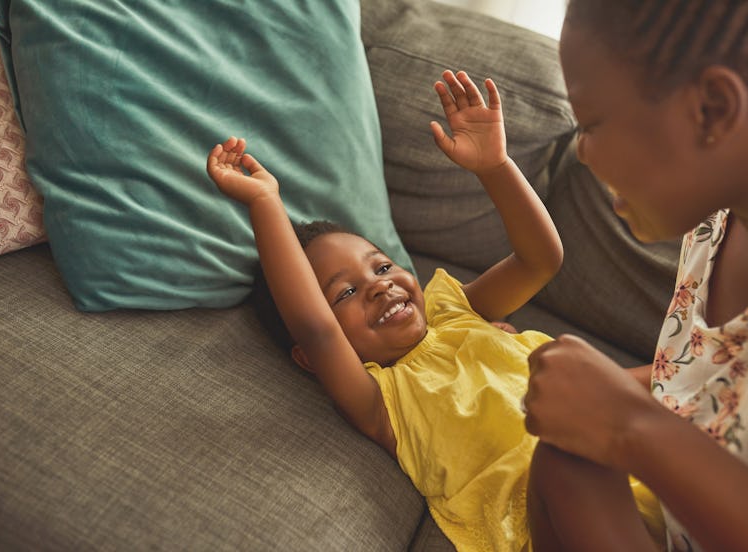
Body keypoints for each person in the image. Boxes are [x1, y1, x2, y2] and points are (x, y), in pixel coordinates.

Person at [206, 70, 659, 551]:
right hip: (555, 511)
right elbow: (315, 328)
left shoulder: (455, 310)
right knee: (573, 448)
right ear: (307, 359)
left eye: (381, 267)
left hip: (639, 463)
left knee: (692, 369)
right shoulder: (382, 399)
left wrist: (495, 165)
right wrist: (265, 203)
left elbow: (540, 260)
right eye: (345, 294)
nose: (379, 289)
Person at [522, 1, 748, 551]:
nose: (580, 153)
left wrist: (630, 426)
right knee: (566, 459)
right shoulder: (714, 224)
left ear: (711, 109)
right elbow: (714, 385)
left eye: (589, 124)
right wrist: (594, 395)